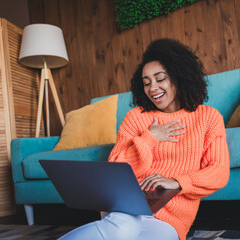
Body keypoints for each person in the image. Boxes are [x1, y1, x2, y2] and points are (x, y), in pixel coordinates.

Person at [58, 38, 230, 240]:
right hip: (128, 206)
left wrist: (176, 182)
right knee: (121, 230)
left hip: (171, 219)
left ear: (179, 77)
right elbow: (115, 167)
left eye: (160, 79)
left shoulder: (208, 117)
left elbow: (218, 171)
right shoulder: (136, 117)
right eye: (146, 83)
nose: (153, 88)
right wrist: (150, 137)